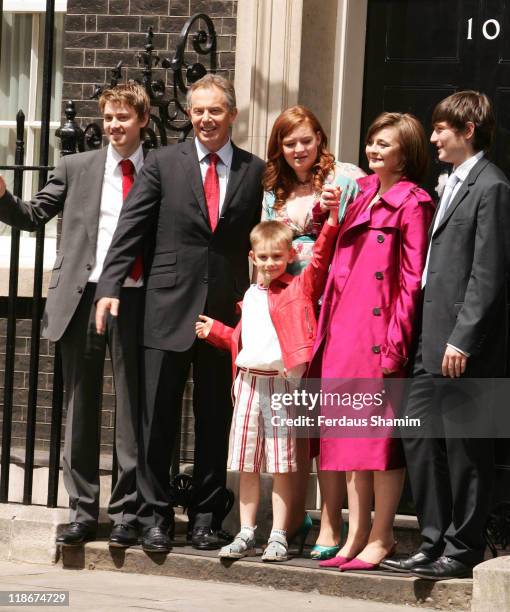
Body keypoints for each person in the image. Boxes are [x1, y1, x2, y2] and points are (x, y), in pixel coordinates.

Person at [94, 74, 265, 553]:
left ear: (232, 114)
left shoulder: (254, 170)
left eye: (215, 110)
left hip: (223, 316)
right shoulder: (164, 163)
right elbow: (131, 227)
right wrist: (110, 285)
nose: (205, 119)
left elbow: (264, 238)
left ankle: (209, 517)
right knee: (157, 422)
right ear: (189, 115)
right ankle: (156, 517)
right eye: (197, 111)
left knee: (216, 419)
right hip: (166, 309)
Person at [0, 83, 150, 547]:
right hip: (82, 296)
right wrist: (2, 196)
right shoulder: (76, 166)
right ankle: (83, 511)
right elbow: (32, 215)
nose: (114, 125)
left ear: (142, 120)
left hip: (136, 296)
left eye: (123, 117)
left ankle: (127, 513)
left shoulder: (160, 169)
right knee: (79, 407)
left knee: (133, 408)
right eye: (108, 117)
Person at [382, 91, 510, 580]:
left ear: (468, 130)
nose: (433, 137)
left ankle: (463, 547)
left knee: (466, 450)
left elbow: (488, 274)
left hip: (465, 347)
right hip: (427, 340)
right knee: (417, 437)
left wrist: (463, 338)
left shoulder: (492, 186)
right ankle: (431, 539)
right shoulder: (449, 185)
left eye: (441, 129)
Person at [312, 112, 434, 571]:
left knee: (379, 442)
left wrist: (398, 341)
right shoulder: (359, 193)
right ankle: (355, 532)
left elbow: (411, 280)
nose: (374, 150)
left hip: (379, 334)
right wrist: (328, 211)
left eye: (385, 144)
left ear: (407, 152)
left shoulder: (413, 202)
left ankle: (382, 535)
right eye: (371, 142)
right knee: (348, 437)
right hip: (344, 327)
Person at [195, 198, 340, 561]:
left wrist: (333, 222)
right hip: (247, 384)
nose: (270, 263)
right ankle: (245, 531)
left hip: (281, 385)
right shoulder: (249, 295)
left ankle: (278, 533)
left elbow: (320, 259)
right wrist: (216, 331)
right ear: (252, 257)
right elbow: (245, 342)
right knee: (246, 463)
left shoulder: (298, 288)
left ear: (290, 255)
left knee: (282, 464)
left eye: (277, 256)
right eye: (263, 257)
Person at [262, 105, 364, 559]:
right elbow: (266, 244)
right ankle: (298, 511)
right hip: (290, 306)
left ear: (320, 138)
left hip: (333, 303)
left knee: (331, 416)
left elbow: (362, 235)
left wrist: (335, 212)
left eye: (305, 140)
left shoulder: (345, 177)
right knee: (297, 416)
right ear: (278, 149)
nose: (298, 150)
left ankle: (330, 521)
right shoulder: (274, 189)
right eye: (289, 143)